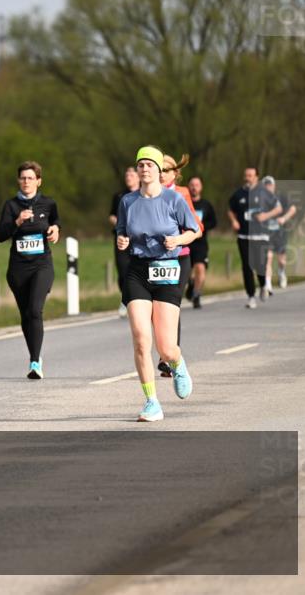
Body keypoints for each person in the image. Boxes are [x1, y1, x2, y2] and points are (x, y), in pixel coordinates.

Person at [116, 146, 199, 422]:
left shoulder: (174, 199)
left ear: (158, 170)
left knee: (165, 347)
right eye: (140, 165)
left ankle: (177, 363)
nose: (145, 169)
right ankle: (151, 401)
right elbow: (122, 233)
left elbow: (194, 231)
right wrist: (122, 242)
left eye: (150, 165)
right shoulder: (127, 201)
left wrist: (177, 240)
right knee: (141, 338)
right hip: (138, 271)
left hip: (166, 270)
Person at [0, 161, 61, 380]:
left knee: (35, 310)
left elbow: (56, 222)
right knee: (26, 314)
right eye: (23, 178)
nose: (26, 181)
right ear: (18, 181)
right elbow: (1, 235)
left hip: (42, 265)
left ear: (38, 181)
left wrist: (55, 230)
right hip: (18, 268)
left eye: (30, 178)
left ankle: (35, 361)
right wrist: (16, 221)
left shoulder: (48, 203)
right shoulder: (11, 205)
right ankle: (34, 356)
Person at [157, 154, 202, 378]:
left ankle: (170, 358)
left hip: (179, 257)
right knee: (156, 308)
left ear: (176, 173)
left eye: (167, 169)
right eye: (160, 169)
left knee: (172, 303)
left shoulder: (181, 193)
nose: (162, 173)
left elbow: (198, 228)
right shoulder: (146, 194)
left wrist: (178, 238)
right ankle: (166, 352)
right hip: (154, 260)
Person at [227, 168, 282, 309]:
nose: (247, 178)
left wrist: (265, 216)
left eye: (250, 175)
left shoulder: (264, 192)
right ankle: (251, 296)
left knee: (260, 265)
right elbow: (230, 210)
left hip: (261, 236)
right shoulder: (238, 194)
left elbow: (278, 208)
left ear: (256, 177)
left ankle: (264, 285)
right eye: (246, 175)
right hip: (244, 236)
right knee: (246, 266)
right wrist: (234, 221)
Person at [110, 167, 140, 317]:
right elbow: (112, 216)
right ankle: (125, 299)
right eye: (126, 174)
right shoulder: (119, 196)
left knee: (136, 269)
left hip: (138, 239)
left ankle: (137, 301)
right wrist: (119, 223)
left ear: (138, 177)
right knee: (123, 271)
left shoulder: (143, 194)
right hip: (121, 238)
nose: (128, 176)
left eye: (131, 174)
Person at [186, 176, 217, 309]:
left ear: (201, 187)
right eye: (192, 185)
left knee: (200, 268)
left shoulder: (206, 205)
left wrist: (203, 226)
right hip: (185, 241)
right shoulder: (184, 203)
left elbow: (213, 222)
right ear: (188, 186)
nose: (194, 187)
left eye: (197, 185)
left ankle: (197, 295)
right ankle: (191, 284)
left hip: (200, 243)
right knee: (186, 270)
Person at [261, 176, 297, 292]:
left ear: (274, 186)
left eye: (270, 185)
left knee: (281, 260)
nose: (268, 187)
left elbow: (293, 209)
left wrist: (284, 218)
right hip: (267, 233)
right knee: (268, 257)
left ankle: (281, 272)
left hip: (280, 233)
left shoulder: (281, 197)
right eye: (266, 185)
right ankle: (268, 284)